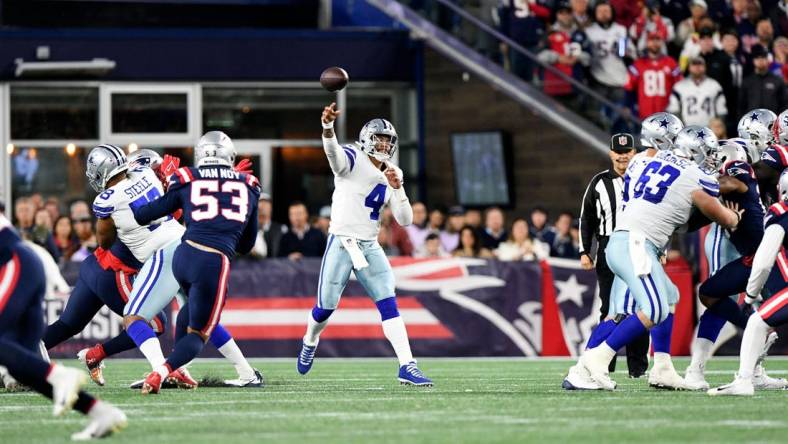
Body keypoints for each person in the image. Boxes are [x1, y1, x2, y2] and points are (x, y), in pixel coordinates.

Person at [579, 126, 741, 391]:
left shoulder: (646, 161)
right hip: (636, 244)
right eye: (707, 152)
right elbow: (722, 217)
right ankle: (594, 360)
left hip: (629, 241)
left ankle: (663, 367)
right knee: (650, 310)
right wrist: (735, 216)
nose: (711, 157)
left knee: (668, 297)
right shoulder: (693, 175)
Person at [296, 102, 432, 386]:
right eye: (379, 139)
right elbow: (333, 156)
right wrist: (327, 128)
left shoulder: (392, 170)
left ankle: (407, 365)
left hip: (370, 246)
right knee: (324, 309)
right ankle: (310, 339)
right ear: (366, 139)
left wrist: (399, 188)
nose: (384, 145)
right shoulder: (352, 157)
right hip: (342, 242)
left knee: (389, 303)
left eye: (388, 141)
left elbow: (405, 219)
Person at [130, 134, 262, 394]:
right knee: (199, 333)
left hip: (184, 255)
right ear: (230, 156)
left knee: (189, 313)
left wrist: (158, 185)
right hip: (212, 260)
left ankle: (178, 370)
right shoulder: (249, 184)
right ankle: (162, 373)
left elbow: (143, 215)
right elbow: (247, 245)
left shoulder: (187, 177)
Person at [0, 215, 127, 439]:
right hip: (21, 264)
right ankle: (101, 413)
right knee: (24, 368)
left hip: (14, 262)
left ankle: (60, 375)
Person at [684, 140, 786, 391]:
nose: (709, 164)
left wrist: (691, 181)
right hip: (750, 254)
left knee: (763, 313)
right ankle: (751, 357)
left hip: (764, 256)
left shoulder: (738, 168)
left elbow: (729, 183)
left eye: (714, 159)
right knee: (710, 294)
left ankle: (740, 373)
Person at [576, 132, 649, 378]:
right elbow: (586, 218)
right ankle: (602, 364)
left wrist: (662, 248)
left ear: (634, 153)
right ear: (610, 153)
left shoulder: (645, 179)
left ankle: (638, 368)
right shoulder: (599, 182)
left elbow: (659, 215)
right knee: (610, 307)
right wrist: (585, 250)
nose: (622, 157)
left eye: (627, 152)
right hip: (608, 247)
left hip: (639, 245)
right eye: (618, 152)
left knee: (642, 306)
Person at [709, 170, 788, 396]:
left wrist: (751, 296)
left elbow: (763, 262)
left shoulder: (780, 212)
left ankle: (744, 380)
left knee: (756, 321)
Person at [585, 1, 635, 127]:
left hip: (619, 78)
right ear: (594, 13)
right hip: (598, 78)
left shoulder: (621, 30)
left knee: (618, 118)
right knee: (597, 117)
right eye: (600, 11)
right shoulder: (589, 31)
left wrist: (624, 50)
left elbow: (625, 53)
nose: (604, 14)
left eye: (606, 11)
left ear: (612, 12)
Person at [624, 32, 681, 120]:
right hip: (644, 116)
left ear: (662, 42)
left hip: (666, 116)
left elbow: (680, 87)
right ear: (647, 42)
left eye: (657, 40)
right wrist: (628, 106)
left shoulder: (671, 63)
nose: (654, 43)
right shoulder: (638, 64)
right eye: (651, 40)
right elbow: (629, 88)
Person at [498, 0, 550, 83]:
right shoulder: (509, 2)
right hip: (515, 42)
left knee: (533, 74)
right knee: (515, 73)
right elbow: (504, 19)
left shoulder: (538, 2)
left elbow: (547, 14)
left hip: (534, 42)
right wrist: (503, 40)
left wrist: (543, 38)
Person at [668, 56, 727, 127]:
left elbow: (721, 110)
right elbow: (674, 110)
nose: (697, 67)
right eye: (694, 64)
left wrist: (717, 127)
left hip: (709, 129)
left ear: (705, 67)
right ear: (689, 67)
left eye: (700, 64)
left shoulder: (714, 85)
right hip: (687, 129)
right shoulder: (679, 86)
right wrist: (681, 128)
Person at [739, 44, 787, 115]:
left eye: (763, 57)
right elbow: (741, 106)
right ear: (753, 60)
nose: (760, 60)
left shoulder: (777, 80)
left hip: (773, 122)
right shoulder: (747, 81)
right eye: (757, 58)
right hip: (752, 123)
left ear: (768, 60)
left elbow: (784, 104)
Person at [251, 193, 286, 259]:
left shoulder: (281, 229)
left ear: (271, 209)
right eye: (260, 207)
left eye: (266, 207)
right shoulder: (247, 230)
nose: (262, 211)